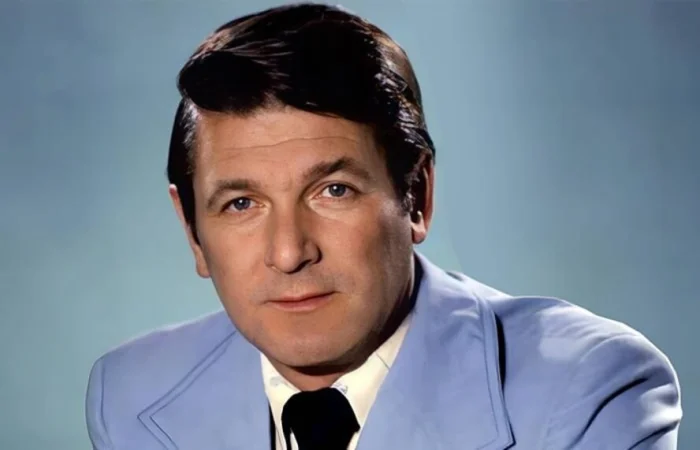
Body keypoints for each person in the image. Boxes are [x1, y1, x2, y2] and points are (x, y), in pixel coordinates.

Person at [85, 3, 682, 449]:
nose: (289, 252)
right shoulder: (130, 395)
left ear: (415, 197)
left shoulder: (587, 390)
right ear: (192, 232)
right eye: (242, 204)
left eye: (333, 191)